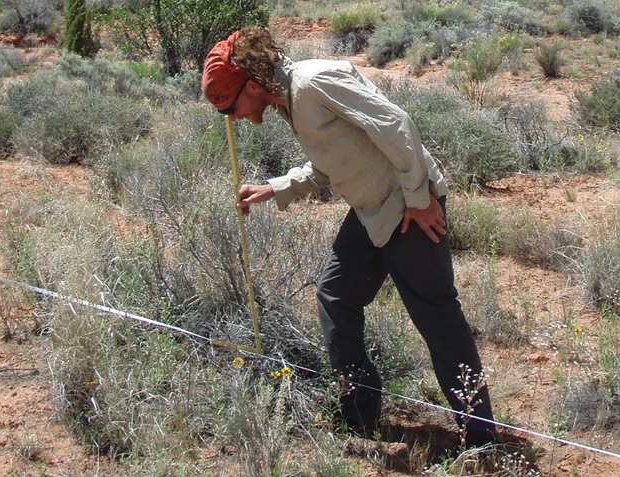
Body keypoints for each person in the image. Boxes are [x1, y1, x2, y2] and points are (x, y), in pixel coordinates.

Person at [202, 26, 496, 447]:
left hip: (408, 210)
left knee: (436, 316)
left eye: (230, 106)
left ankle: (481, 438)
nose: (233, 117)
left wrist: (419, 198)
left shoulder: (312, 82)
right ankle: (357, 417)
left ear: (250, 83)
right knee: (335, 296)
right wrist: (277, 187)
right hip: (372, 211)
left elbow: (395, 124)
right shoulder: (288, 99)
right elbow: (333, 162)